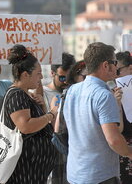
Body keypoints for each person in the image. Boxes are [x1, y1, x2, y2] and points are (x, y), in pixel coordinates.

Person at [63, 42, 132, 184]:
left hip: (75, 173)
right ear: (106, 65)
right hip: (99, 175)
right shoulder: (104, 95)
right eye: (115, 63)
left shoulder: (72, 90)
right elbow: (113, 139)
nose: (116, 68)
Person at [3, 44, 58, 184]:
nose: (41, 77)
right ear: (25, 74)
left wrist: (42, 106)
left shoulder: (25, 95)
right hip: (24, 172)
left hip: (33, 173)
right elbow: (25, 126)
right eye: (38, 73)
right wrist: (51, 114)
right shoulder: (17, 95)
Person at [50, 60, 87, 184]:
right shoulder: (63, 97)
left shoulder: (89, 94)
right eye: (85, 77)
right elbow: (58, 133)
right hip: (69, 155)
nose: (64, 81)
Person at [116, 51, 132, 183]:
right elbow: (118, 129)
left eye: (118, 71)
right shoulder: (112, 92)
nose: (115, 76)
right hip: (126, 150)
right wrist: (117, 104)